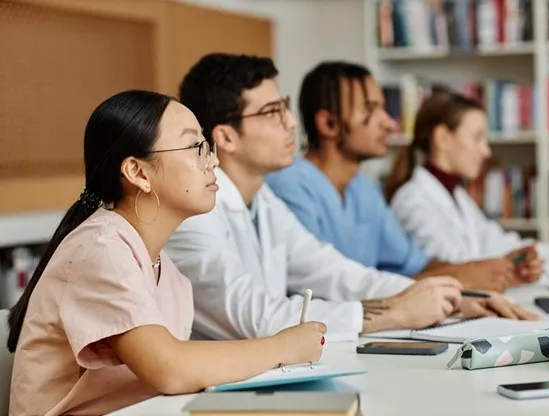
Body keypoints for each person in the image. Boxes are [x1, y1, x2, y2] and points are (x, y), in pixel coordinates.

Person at [166, 53, 536, 345]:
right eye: (272, 112)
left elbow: (336, 273)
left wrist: (452, 301)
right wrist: (395, 312)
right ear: (226, 138)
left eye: (286, 106)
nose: (292, 123)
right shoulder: (194, 214)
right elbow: (258, 318)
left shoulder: (263, 200)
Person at [7, 90, 326, 416]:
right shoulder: (101, 248)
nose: (213, 161)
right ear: (138, 172)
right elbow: (170, 369)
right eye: (195, 147)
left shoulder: (162, 266)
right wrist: (283, 347)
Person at [265, 61, 538, 292]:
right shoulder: (289, 186)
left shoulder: (362, 188)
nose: (389, 121)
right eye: (371, 109)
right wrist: (460, 277)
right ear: (328, 124)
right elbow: (330, 288)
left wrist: (490, 268)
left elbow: (415, 264)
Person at [384, 90, 549, 284]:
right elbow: (461, 270)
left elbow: (504, 245)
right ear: (443, 138)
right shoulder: (412, 202)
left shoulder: (456, 196)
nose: (486, 151)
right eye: (477, 138)